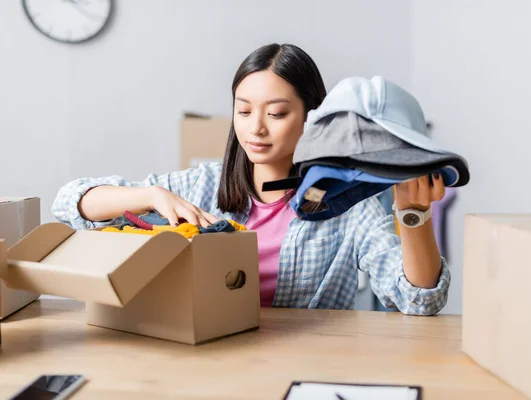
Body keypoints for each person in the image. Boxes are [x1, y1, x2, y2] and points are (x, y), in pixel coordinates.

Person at [52, 43, 450, 314]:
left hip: (302, 364)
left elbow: (419, 302)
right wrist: (151, 195)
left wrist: (414, 215)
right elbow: (70, 203)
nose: (256, 128)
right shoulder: (200, 186)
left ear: (312, 118)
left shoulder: (349, 210)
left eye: (276, 114)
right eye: (243, 112)